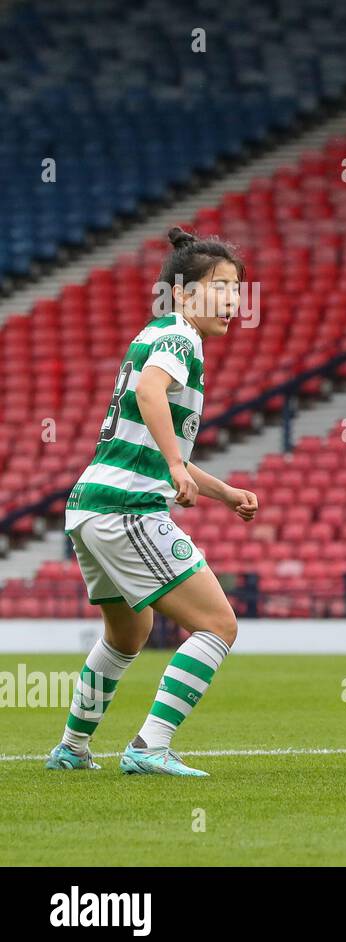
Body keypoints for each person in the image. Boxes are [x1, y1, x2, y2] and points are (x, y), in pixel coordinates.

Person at [46, 228, 259, 778]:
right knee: (219, 625)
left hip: (89, 503)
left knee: (128, 634)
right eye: (223, 287)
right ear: (183, 294)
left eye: (239, 289)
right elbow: (149, 393)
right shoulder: (179, 337)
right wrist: (170, 468)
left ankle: (72, 747)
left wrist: (224, 492)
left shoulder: (158, 332)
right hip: (126, 507)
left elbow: (154, 432)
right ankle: (149, 746)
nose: (235, 300)